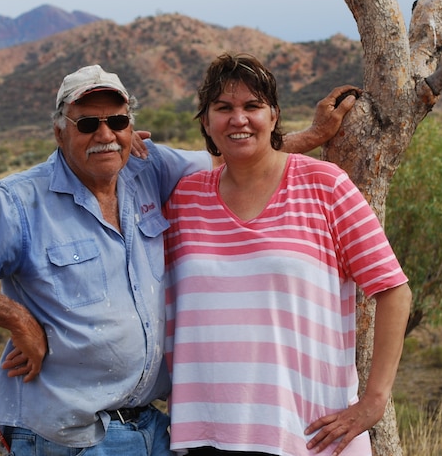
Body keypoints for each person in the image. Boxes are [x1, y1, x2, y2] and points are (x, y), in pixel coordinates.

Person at [0, 63, 358, 456]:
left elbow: (240, 156)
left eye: (116, 122)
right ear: (59, 130)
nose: (104, 134)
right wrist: (16, 317)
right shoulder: (19, 202)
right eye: (87, 123)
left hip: (148, 430)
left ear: (130, 127)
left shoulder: (150, 171)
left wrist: (314, 135)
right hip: (66, 434)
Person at [163, 53, 412, 456]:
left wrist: (373, 403)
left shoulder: (324, 185)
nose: (238, 119)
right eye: (223, 108)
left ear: (274, 116)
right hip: (207, 436)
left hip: (309, 435)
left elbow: (393, 290)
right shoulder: (184, 200)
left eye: (252, 106)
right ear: (206, 123)